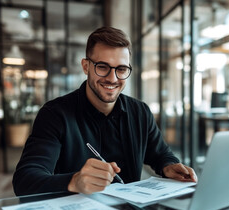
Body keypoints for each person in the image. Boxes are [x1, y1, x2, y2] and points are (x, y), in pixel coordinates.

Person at [12, 26, 197, 196]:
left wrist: (169, 166)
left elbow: (160, 154)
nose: (112, 78)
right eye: (102, 67)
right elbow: (25, 180)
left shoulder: (140, 111)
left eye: (121, 69)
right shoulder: (54, 114)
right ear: (86, 66)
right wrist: (74, 181)